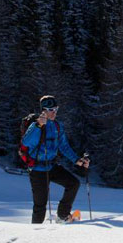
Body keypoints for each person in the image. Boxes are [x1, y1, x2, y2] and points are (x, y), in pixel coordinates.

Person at [22, 95, 90, 223]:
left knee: (73, 183)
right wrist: (38, 126)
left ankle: (63, 215)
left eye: (56, 109)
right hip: (37, 169)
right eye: (51, 110)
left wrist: (77, 160)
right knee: (40, 206)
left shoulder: (58, 126)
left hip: (52, 166)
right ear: (44, 110)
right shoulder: (35, 125)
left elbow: (64, 146)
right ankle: (34, 235)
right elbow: (26, 142)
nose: (54, 112)